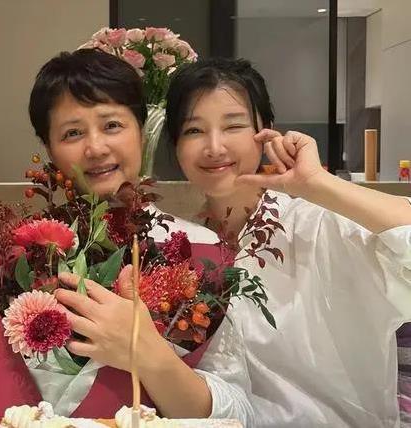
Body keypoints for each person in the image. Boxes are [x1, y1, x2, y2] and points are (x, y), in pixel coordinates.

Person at [0, 49, 254, 423]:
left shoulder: (199, 253)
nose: (95, 148)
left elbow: (238, 412)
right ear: (49, 148)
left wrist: (147, 354)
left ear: (141, 132)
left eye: (112, 125)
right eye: (72, 133)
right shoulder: (14, 255)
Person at [164, 57, 411, 427]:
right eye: (194, 130)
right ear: (176, 145)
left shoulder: (321, 225)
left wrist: (318, 185)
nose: (214, 147)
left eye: (233, 126)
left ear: (265, 132)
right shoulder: (181, 250)